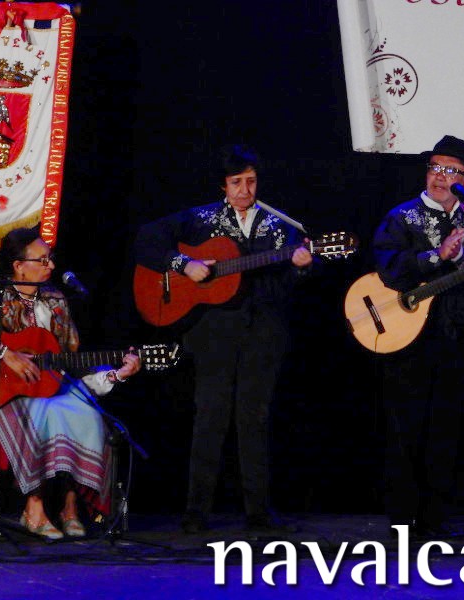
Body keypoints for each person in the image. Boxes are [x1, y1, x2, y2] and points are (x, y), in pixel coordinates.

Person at [133, 143, 314, 534]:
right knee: (210, 416)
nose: (245, 190)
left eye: (251, 181)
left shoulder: (279, 226)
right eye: (236, 182)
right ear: (223, 185)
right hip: (213, 331)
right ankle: (196, 511)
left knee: (255, 417)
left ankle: (258, 511)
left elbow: (283, 286)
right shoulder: (200, 219)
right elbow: (146, 239)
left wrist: (300, 267)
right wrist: (183, 263)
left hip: (264, 330)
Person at [0, 227, 141, 540]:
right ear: (18, 266)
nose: (51, 265)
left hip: (47, 387)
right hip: (3, 394)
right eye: (42, 260)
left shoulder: (56, 301)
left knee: (88, 414)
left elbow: (69, 366)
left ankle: (70, 507)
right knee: (46, 414)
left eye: (50, 258)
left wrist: (116, 374)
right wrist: (6, 353)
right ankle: (34, 507)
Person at [372, 135, 464, 536]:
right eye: (435, 168)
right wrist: (435, 256)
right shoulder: (401, 217)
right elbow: (389, 268)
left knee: (447, 427)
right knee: (406, 426)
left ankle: (434, 520)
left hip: (456, 333)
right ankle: (401, 520)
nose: (441, 176)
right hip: (408, 337)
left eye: (452, 171)